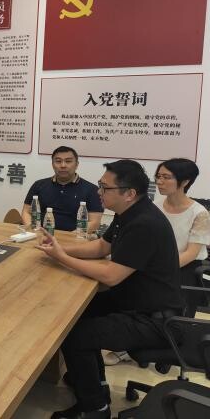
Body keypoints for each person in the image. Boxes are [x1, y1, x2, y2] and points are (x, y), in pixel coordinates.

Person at [35, 160, 183, 419]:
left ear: (129, 193)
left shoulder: (144, 224)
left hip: (155, 319)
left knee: (75, 335)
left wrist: (62, 258)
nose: (98, 192)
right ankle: (95, 385)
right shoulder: (128, 212)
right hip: (135, 300)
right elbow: (102, 247)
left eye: (105, 187)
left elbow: (112, 276)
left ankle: (95, 408)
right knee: (73, 316)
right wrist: (57, 248)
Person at [154, 158, 210, 317]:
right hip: (156, 265)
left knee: (169, 315)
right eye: (158, 176)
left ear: (185, 181)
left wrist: (160, 269)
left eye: (166, 177)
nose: (159, 181)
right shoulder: (154, 206)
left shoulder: (199, 213)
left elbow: (191, 253)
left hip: (184, 267)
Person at [22, 146, 103, 232]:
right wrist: (33, 230)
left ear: (77, 164)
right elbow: (26, 212)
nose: (63, 165)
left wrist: (69, 237)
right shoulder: (39, 185)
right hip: (41, 234)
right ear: (52, 164)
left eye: (68, 161)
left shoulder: (92, 190)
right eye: (58, 161)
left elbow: (94, 222)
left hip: (74, 237)